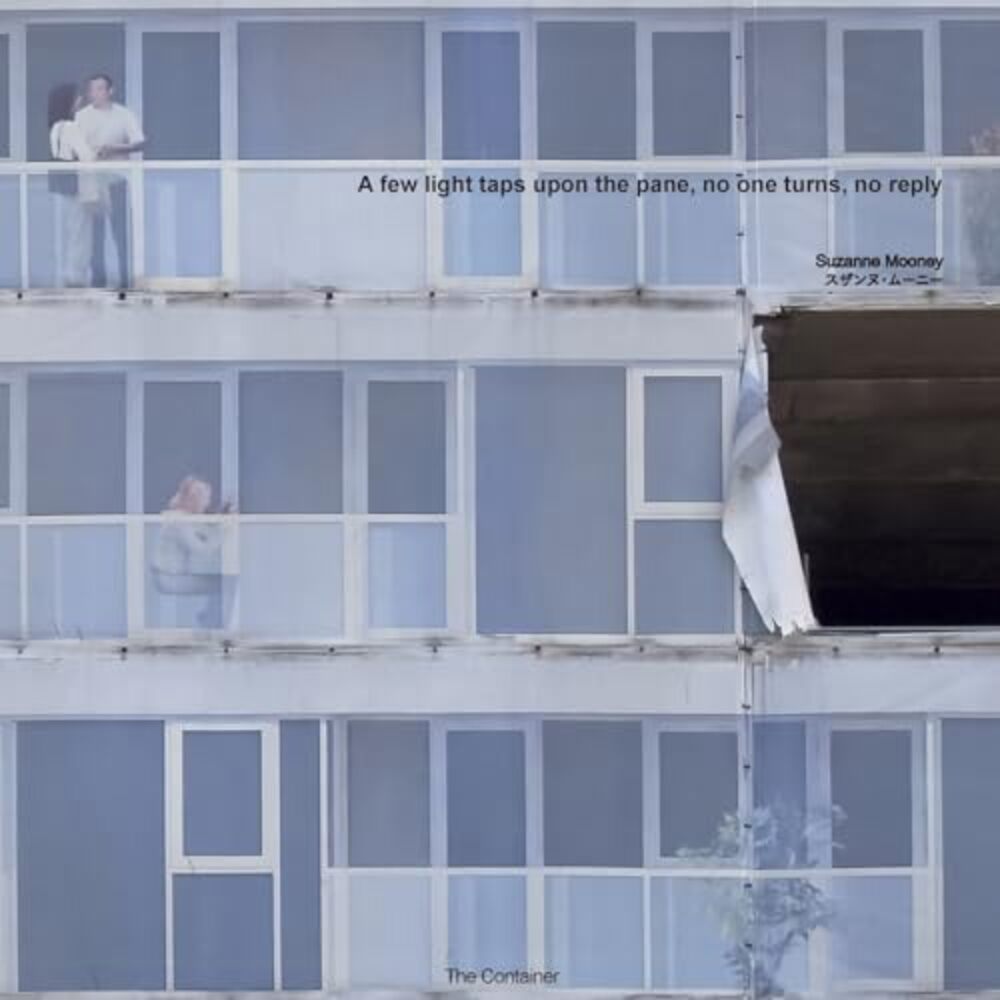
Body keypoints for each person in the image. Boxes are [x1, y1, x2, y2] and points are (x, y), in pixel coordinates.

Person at [74, 73, 145, 289]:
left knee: (120, 232)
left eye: (99, 89)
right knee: (95, 234)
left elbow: (140, 142)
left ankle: (126, 280)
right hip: (91, 182)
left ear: (110, 91)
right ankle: (98, 281)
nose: (94, 93)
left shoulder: (124, 114)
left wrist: (115, 149)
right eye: (91, 89)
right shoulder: (82, 116)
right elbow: (73, 147)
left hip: (117, 180)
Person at [152, 476, 237, 630]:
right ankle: (211, 622)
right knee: (227, 583)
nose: (207, 503)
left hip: (171, 576)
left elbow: (205, 531)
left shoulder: (183, 516)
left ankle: (209, 619)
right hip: (169, 578)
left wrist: (222, 519)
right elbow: (203, 550)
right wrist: (226, 528)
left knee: (226, 582)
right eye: (205, 499)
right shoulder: (177, 520)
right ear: (194, 500)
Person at [48, 83, 101, 287]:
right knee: (80, 233)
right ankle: (76, 276)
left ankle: (69, 274)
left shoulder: (55, 127)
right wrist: (99, 151)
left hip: (62, 188)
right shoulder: (71, 127)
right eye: (76, 97)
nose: (80, 100)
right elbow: (87, 156)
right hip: (76, 186)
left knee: (70, 231)